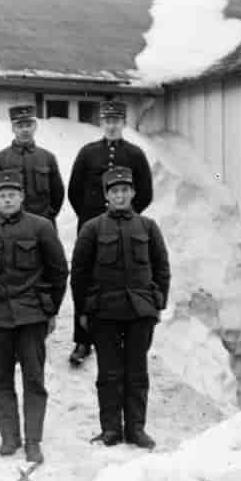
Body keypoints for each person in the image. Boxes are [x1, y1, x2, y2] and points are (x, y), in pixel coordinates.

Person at [0, 169, 68, 465]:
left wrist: (50, 310)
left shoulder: (40, 227)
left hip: (31, 317)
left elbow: (59, 271)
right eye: (1, 195)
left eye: (12, 194)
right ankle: (9, 436)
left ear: (22, 197)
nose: (7, 199)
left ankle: (33, 440)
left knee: (34, 381)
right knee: (0, 379)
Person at [70, 166, 170, 450]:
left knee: (137, 372)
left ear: (133, 193)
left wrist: (157, 302)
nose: (120, 195)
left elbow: (162, 268)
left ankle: (136, 429)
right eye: (114, 191)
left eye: (125, 190)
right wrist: (83, 313)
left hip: (140, 311)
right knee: (109, 373)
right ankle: (111, 429)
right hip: (105, 312)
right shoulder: (92, 228)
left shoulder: (148, 227)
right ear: (106, 196)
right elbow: (79, 273)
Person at [66, 100, 154, 367]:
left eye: (116, 121)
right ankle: (83, 339)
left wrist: (124, 215)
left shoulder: (136, 154)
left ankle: (118, 334)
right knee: (84, 277)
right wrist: (92, 217)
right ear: (101, 123)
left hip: (125, 229)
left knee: (118, 277)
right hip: (92, 227)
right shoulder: (87, 153)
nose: (112, 125)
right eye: (107, 121)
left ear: (123, 123)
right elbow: (74, 191)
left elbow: (146, 192)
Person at [0, 104, 65, 224]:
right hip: (9, 224)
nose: (25, 130)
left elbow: (57, 192)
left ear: (35, 126)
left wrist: (49, 215)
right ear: (12, 128)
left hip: (42, 222)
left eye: (29, 125)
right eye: (20, 126)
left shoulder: (47, 158)